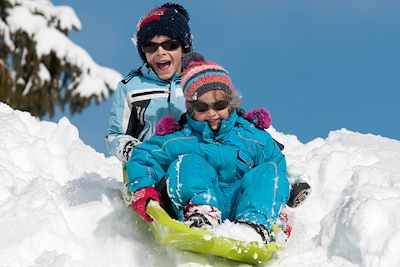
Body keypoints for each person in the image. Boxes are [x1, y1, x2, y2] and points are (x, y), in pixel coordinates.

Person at [126, 52, 290, 243]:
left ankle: (253, 226)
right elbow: (143, 156)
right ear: (190, 108)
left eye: (219, 105)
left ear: (230, 103)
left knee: (269, 171)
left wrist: (287, 194)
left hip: (243, 202)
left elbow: (276, 167)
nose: (212, 113)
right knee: (188, 162)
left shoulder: (253, 138)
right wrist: (144, 188)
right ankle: (202, 215)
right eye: (202, 108)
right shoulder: (179, 139)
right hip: (202, 201)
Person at [105, 3, 193, 202]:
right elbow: (115, 134)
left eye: (170, 45)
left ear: (184, 48)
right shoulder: (132, 87)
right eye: (151, 47)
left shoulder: (200, 81)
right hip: (151, 162)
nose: (160, 52)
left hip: (194, 160)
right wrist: (132, 150)